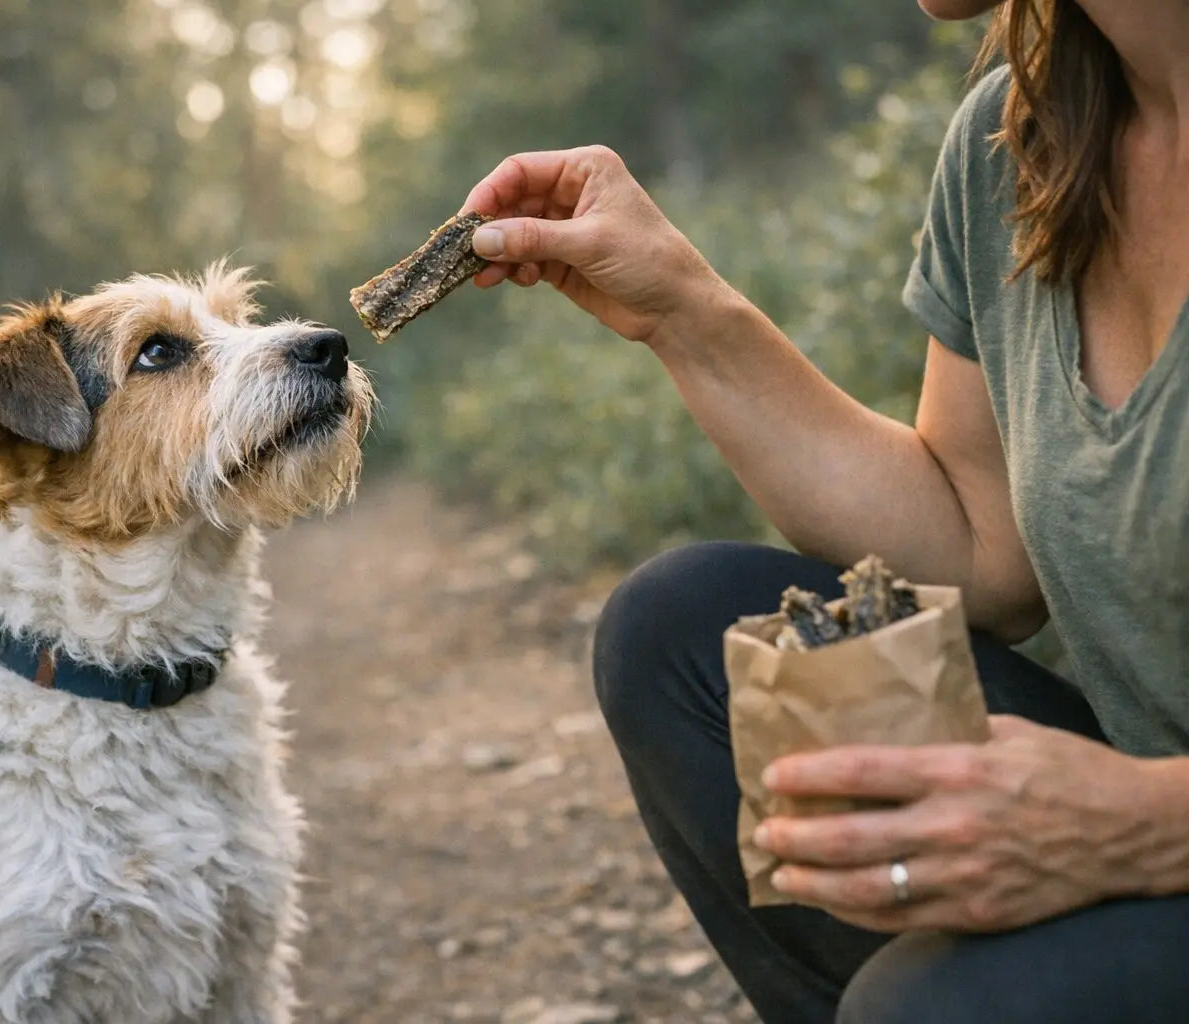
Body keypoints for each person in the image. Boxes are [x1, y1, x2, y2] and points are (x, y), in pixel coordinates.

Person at [460, 1, 1189, 1022]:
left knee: (922, 1008)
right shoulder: (1021, 141)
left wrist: (1145, 823)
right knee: (682, 633)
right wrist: (681, 307)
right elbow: (982, 554)